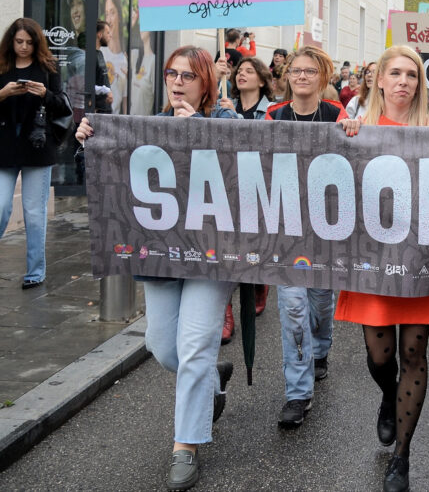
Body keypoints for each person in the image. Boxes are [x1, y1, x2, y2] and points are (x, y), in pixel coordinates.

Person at [76, 46, 239, 490]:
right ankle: (212, 382)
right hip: (162, 256)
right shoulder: (148, 123)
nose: (177, 82)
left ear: (206, 82)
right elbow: (110, 178)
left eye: (189, 75)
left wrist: (198, 129)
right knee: (165, 347)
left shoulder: (226, 119)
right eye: (172, 73)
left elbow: (246, 171)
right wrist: (90, 141)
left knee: (195, 346)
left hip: (211, 256)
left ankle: (185, 446)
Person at [333, 45, 429, 492]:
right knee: (381, 357)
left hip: (423, 263)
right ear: (379, 80)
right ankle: (389, 395)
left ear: (420, 84)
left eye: (412, 75)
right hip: (374, 262)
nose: (404, 81)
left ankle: (401, 457)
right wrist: (344, 137)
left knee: (413, 356)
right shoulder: (357, 127)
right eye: (396, 73)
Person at [264, 45, 343, 429]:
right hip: (287, 229)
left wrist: (354, 131)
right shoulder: (274, 116)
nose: (301, 76)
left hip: (327, 227)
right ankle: (298, 392)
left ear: (322, 77)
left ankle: (321, 348)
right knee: (293, 307)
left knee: (321, 303)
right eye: (295, 70)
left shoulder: (338, 115)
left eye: (310, 71)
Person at [0, 18, 72, 288]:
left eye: (29, 43)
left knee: (34, 213)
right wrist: (3, 93)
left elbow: (62, 105)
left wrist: (44, 94)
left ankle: (35, 272)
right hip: (5, 145)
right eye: (19, 41)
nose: (24, 47)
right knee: (1, 206)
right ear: (11, 41)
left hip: (38, 146)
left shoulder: (48, 67)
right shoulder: (2, 65)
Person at [217, 56, 274, 324]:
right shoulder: (223, 105)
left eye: (249, 71)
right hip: (229, 184)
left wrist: (235, 118)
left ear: (262, 80)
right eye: (239, 71)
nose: (242, 74)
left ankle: (259, 284)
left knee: (254, 244)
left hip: (258, 185)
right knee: (225, 247)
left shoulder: (271, 109)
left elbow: (261, 141)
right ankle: (225, 311)